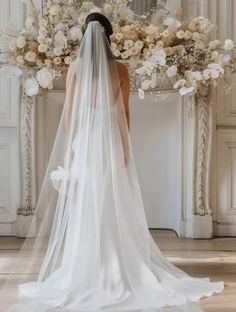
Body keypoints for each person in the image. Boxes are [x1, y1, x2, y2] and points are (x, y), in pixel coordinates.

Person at [1, 13, 224, 312]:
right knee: (110, 198)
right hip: (109, 143)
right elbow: (124, 113)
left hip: (84, 141)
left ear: (85, 36)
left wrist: (71, 148)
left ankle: (85, 265)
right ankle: (117, 260)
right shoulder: (120, 68)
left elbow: (69, 112)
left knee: (85, 203)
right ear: (109, 36)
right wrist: (124, 146)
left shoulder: (76, 66)